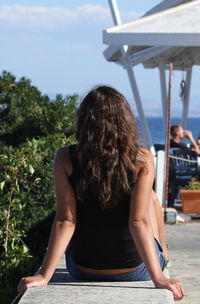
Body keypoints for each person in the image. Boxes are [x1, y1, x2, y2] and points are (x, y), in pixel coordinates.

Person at [17, 86, 184, 301]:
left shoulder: (65, 158)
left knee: (142, 200)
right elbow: (138, 222)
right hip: (134, 269)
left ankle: (162, 256)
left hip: (82, 269)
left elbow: (66, 220)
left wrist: (43, 275)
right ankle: (165, 256)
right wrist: (159, 278)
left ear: (85, 122)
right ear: (124, 121)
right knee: (150, 198)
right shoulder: (142, 159)